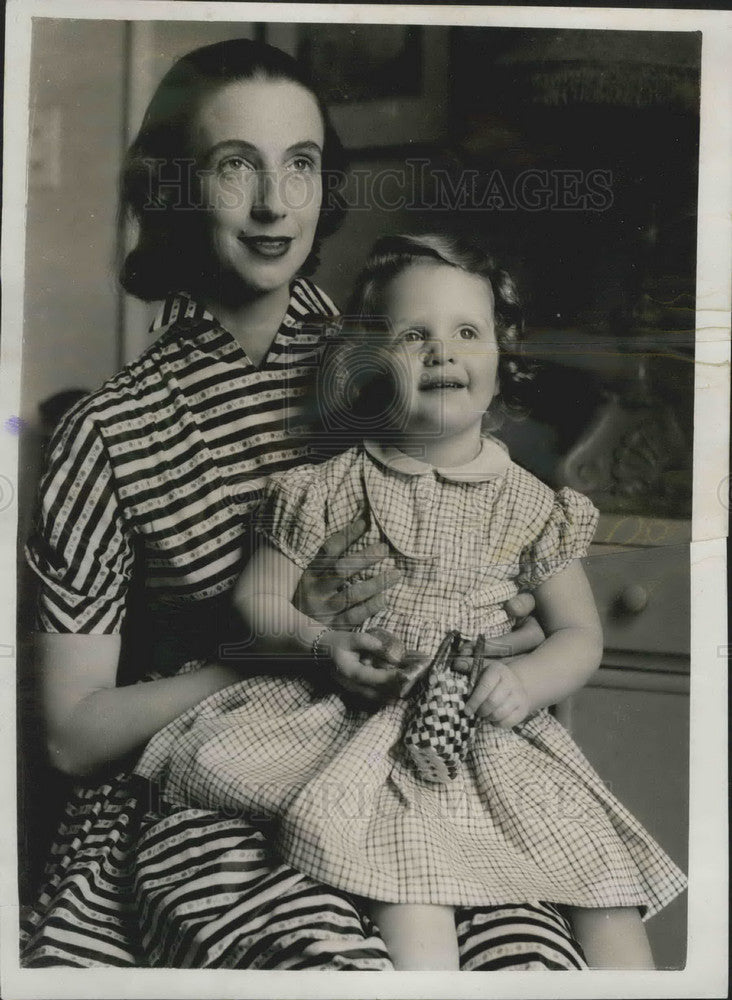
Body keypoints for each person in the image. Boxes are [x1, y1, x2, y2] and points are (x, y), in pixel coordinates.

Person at [21, 39, 586, 970]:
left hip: (428, 772)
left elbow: (515, 560)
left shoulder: (401, 363)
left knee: (532, 968)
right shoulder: (110, 432)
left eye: (302, 164)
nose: (275, 204)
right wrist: (283, 651)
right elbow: (73, 737)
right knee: (330, 970)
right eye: (235, 166)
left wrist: (497, 627)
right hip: (205, 799)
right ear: (171, 188)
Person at [136, 233, 688, 970]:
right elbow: (257, 596)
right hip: (353, 718)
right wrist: (320, 643)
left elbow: (579, 635)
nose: (442, 352)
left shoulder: (532, 506)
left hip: (485, 732)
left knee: (603, 882)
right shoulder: (328, 486)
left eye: (468, 333)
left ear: (502, 357)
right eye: (412, 336)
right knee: (407, 872)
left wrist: (526, 683)